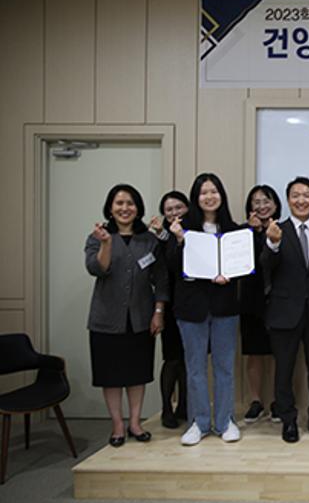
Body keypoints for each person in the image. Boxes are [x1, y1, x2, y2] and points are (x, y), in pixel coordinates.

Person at [84, 184, 167, 446]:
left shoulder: (149, 240)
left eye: (130, 203)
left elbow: (161, 279)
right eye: (119, 203)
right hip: (106, 319)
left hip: (141, 318)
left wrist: (158, 312)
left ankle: (135, 422)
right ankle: (118, 425)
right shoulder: (98, 237)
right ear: (110, 208)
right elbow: (97, 269)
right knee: (110, 376)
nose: (124, 208)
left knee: (137, 374)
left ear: (138, 208)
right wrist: (106, 243)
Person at [167, 173, 244, 446]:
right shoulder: (182, 228)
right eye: (203, 192)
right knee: (195, 368)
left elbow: (243, 266)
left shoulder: (234, 230)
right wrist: (179, 240)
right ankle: (198, 423)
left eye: (214, 191)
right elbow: (172, 267)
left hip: (225, 307)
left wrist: (229, 275)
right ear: (195, 198)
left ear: (221, 195)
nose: (209, 197)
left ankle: (225, 421)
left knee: (224, 367)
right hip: (191, 309)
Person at [262, 177, 309, 443]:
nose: (302, 200)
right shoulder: (276, 231)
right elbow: (265, 266)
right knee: (284, 371)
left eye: (307, 195)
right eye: (296, 195)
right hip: (284, 313)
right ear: (288, 200)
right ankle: (288, 420)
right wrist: (273, 244)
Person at [240, 184, 282, 424]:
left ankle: (277, 400)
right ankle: (256, 401)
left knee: (278, 353)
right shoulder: (242, 232)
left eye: (266, 201)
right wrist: (252, 232)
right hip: (251, 301)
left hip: (278, 301)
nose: (262, 206)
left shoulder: (283, 230)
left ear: (275, 205)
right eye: (256, 202)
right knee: (254, 353)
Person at [148, 190, 189, 429]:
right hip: (170, 305)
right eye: (169, 209)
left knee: (188, 360)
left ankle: (184, 405)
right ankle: (166, 408)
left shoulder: (193, 231)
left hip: (192, 305)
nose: (174, 212)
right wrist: (159, 311)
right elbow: (161, 271)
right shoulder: (160, 238)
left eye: (179, 207)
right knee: (172, 358)